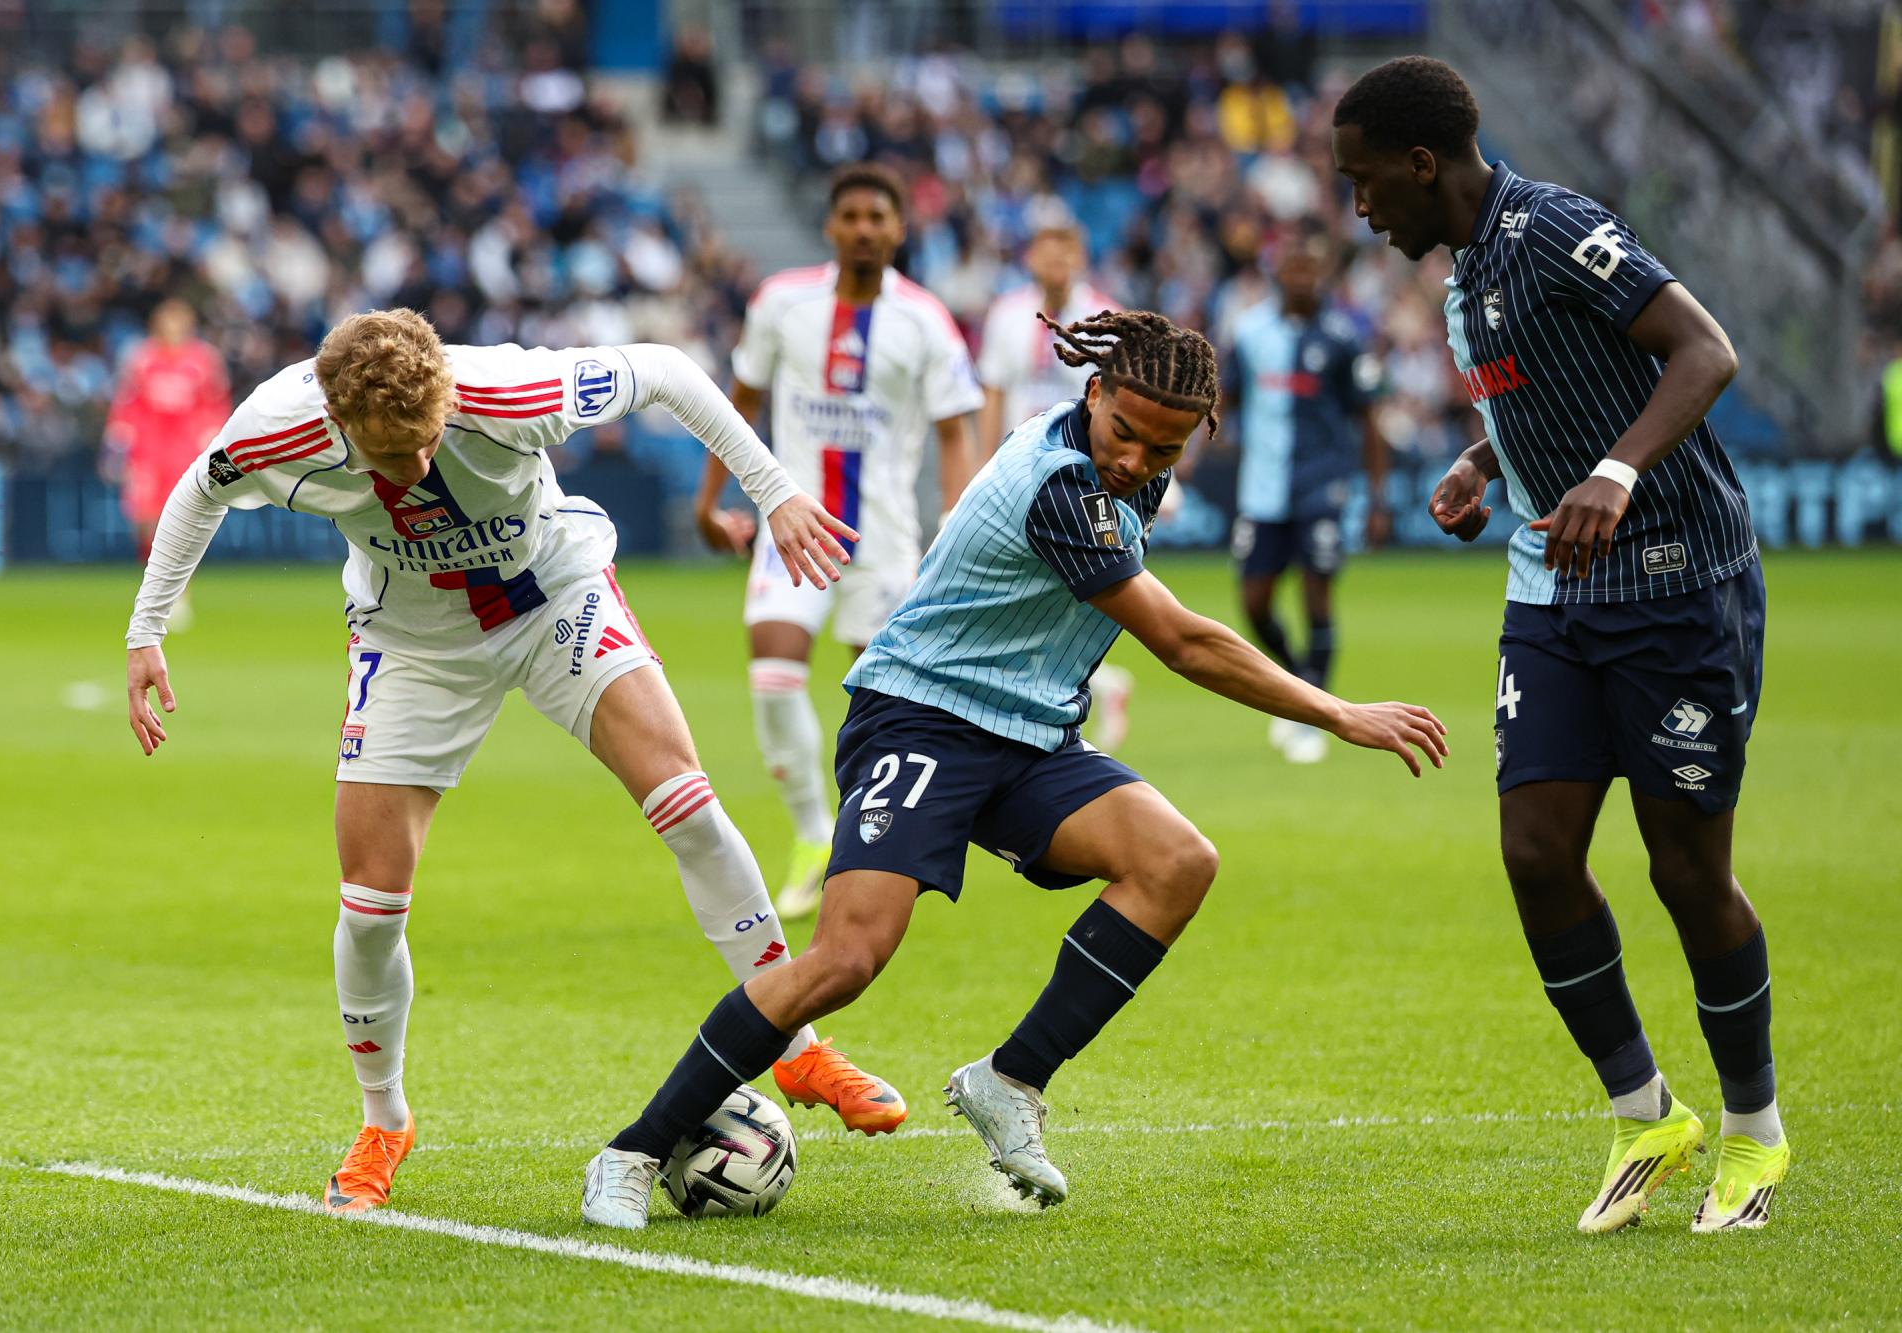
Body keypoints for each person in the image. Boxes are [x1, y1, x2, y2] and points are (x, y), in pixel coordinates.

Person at [583, 310, 1447, 1229]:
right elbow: (1184, 643)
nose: (1137, 461)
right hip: (920, 718)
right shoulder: (1061, 488)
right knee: (846, 958)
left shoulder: (1122, 466)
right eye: (1125, 433)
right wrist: (1336, 709)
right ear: (1093, 394)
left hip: (1028, 734)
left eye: (1165, 449)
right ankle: (633, 1151)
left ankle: (1010, 1080)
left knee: (1176, 861)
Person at [123, 308, 905, 1217]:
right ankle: (385, 1121)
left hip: (553, 598)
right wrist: (146, 629)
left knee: (687, 801)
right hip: (415, 645)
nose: (415, 468)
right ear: (338, 422)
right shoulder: (277, 423)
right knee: (371, 903)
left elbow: (668, 371)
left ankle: (795, 1036)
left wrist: (772, 491)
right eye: (389, 454)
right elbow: (198, 486)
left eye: (424, 441)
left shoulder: (509, 387)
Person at [1333, 56, 1784, 1233]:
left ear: (1420, 164)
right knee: (1534, 851)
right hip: (1552, 593)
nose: (1358, 205)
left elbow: (1701, 350)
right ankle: (1645, 1114)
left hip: (1677, 580)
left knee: (1685, 870)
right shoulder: (1460, 273)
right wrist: (1484, 461)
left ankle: (1752, 1135)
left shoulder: (1551, 228)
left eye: (1364, 179)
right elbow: (1544, 387)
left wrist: (1615, 470)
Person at [694, 163, 982, 920]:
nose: (863, 228)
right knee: (774, 677)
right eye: (849, 215)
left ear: (898, 229)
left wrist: (959, 522)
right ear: (831, 227)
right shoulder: (782, 303)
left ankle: (872, 850)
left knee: (881, 707)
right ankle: (813, 836)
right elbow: (738, 404)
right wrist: (709, 501)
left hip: (884, 540)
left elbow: (956, 429)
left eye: (876, 217)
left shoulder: (926, 320)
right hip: (793, 527)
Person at [1223, 234, 1388, 764]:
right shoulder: (1250, 334)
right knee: (1253, 602)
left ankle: (1314, 716)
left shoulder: (1343, 337)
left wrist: (1378, 496)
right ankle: (1300, 681)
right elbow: (1225, 399)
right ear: (1276, 274)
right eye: (1292, 269)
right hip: (1261, 488)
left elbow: (1368, 420)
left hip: (1321, 484)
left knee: (1317, 597)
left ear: (1323, 275)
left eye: (1310, 270)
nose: (1301, 279)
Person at [976, 220, 1138, 751]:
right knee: (1027, 591)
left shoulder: (1107, 318)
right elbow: (994, 393)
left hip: (1078, 476)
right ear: (1031, 257)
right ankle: (1097, 686)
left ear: (1081, 258)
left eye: (1066, 252)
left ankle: (1066, 693)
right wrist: (986, 464)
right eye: (1047, 251)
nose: (1056, 262)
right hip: (1019, 471)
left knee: (1067, 589)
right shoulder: (1006, 315)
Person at [103, 299, 231, 629]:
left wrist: (215, 445)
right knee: (146, 520)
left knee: (184, 520)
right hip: (148, 451)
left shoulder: (203, 360)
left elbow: (216, 405)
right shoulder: (142, 358)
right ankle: (155, 590)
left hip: (185, 451)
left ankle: (180, 594)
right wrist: (116, 447)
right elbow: (126, 405)